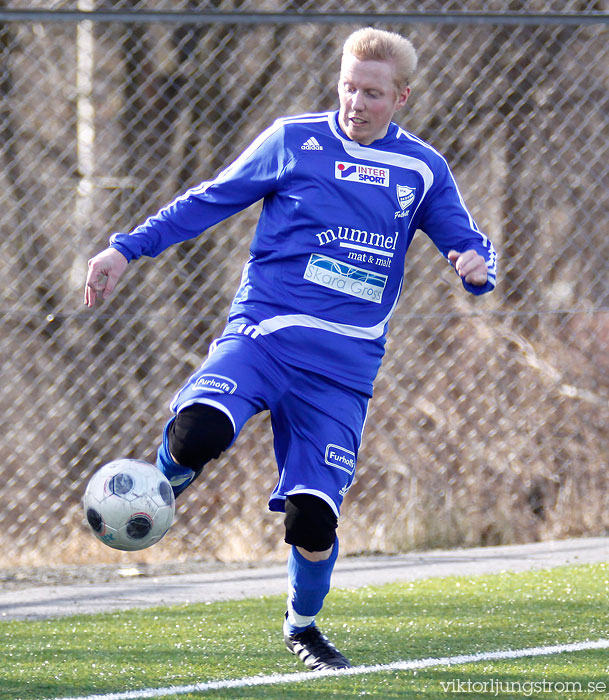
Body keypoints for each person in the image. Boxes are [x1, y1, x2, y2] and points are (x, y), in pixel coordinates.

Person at [84, 27, 497, 671]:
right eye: (349, 87)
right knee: (198, 433)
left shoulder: (422, 170)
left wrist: (475, 264)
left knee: (312, 521)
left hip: (341, 373)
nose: (356, 102)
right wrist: (125, 247)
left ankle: (302, 627)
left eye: (374, 93)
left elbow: (464, 239)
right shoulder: (293, 141)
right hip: (263, 338)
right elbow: (210, 200)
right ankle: (160, 481)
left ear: (403, 97)